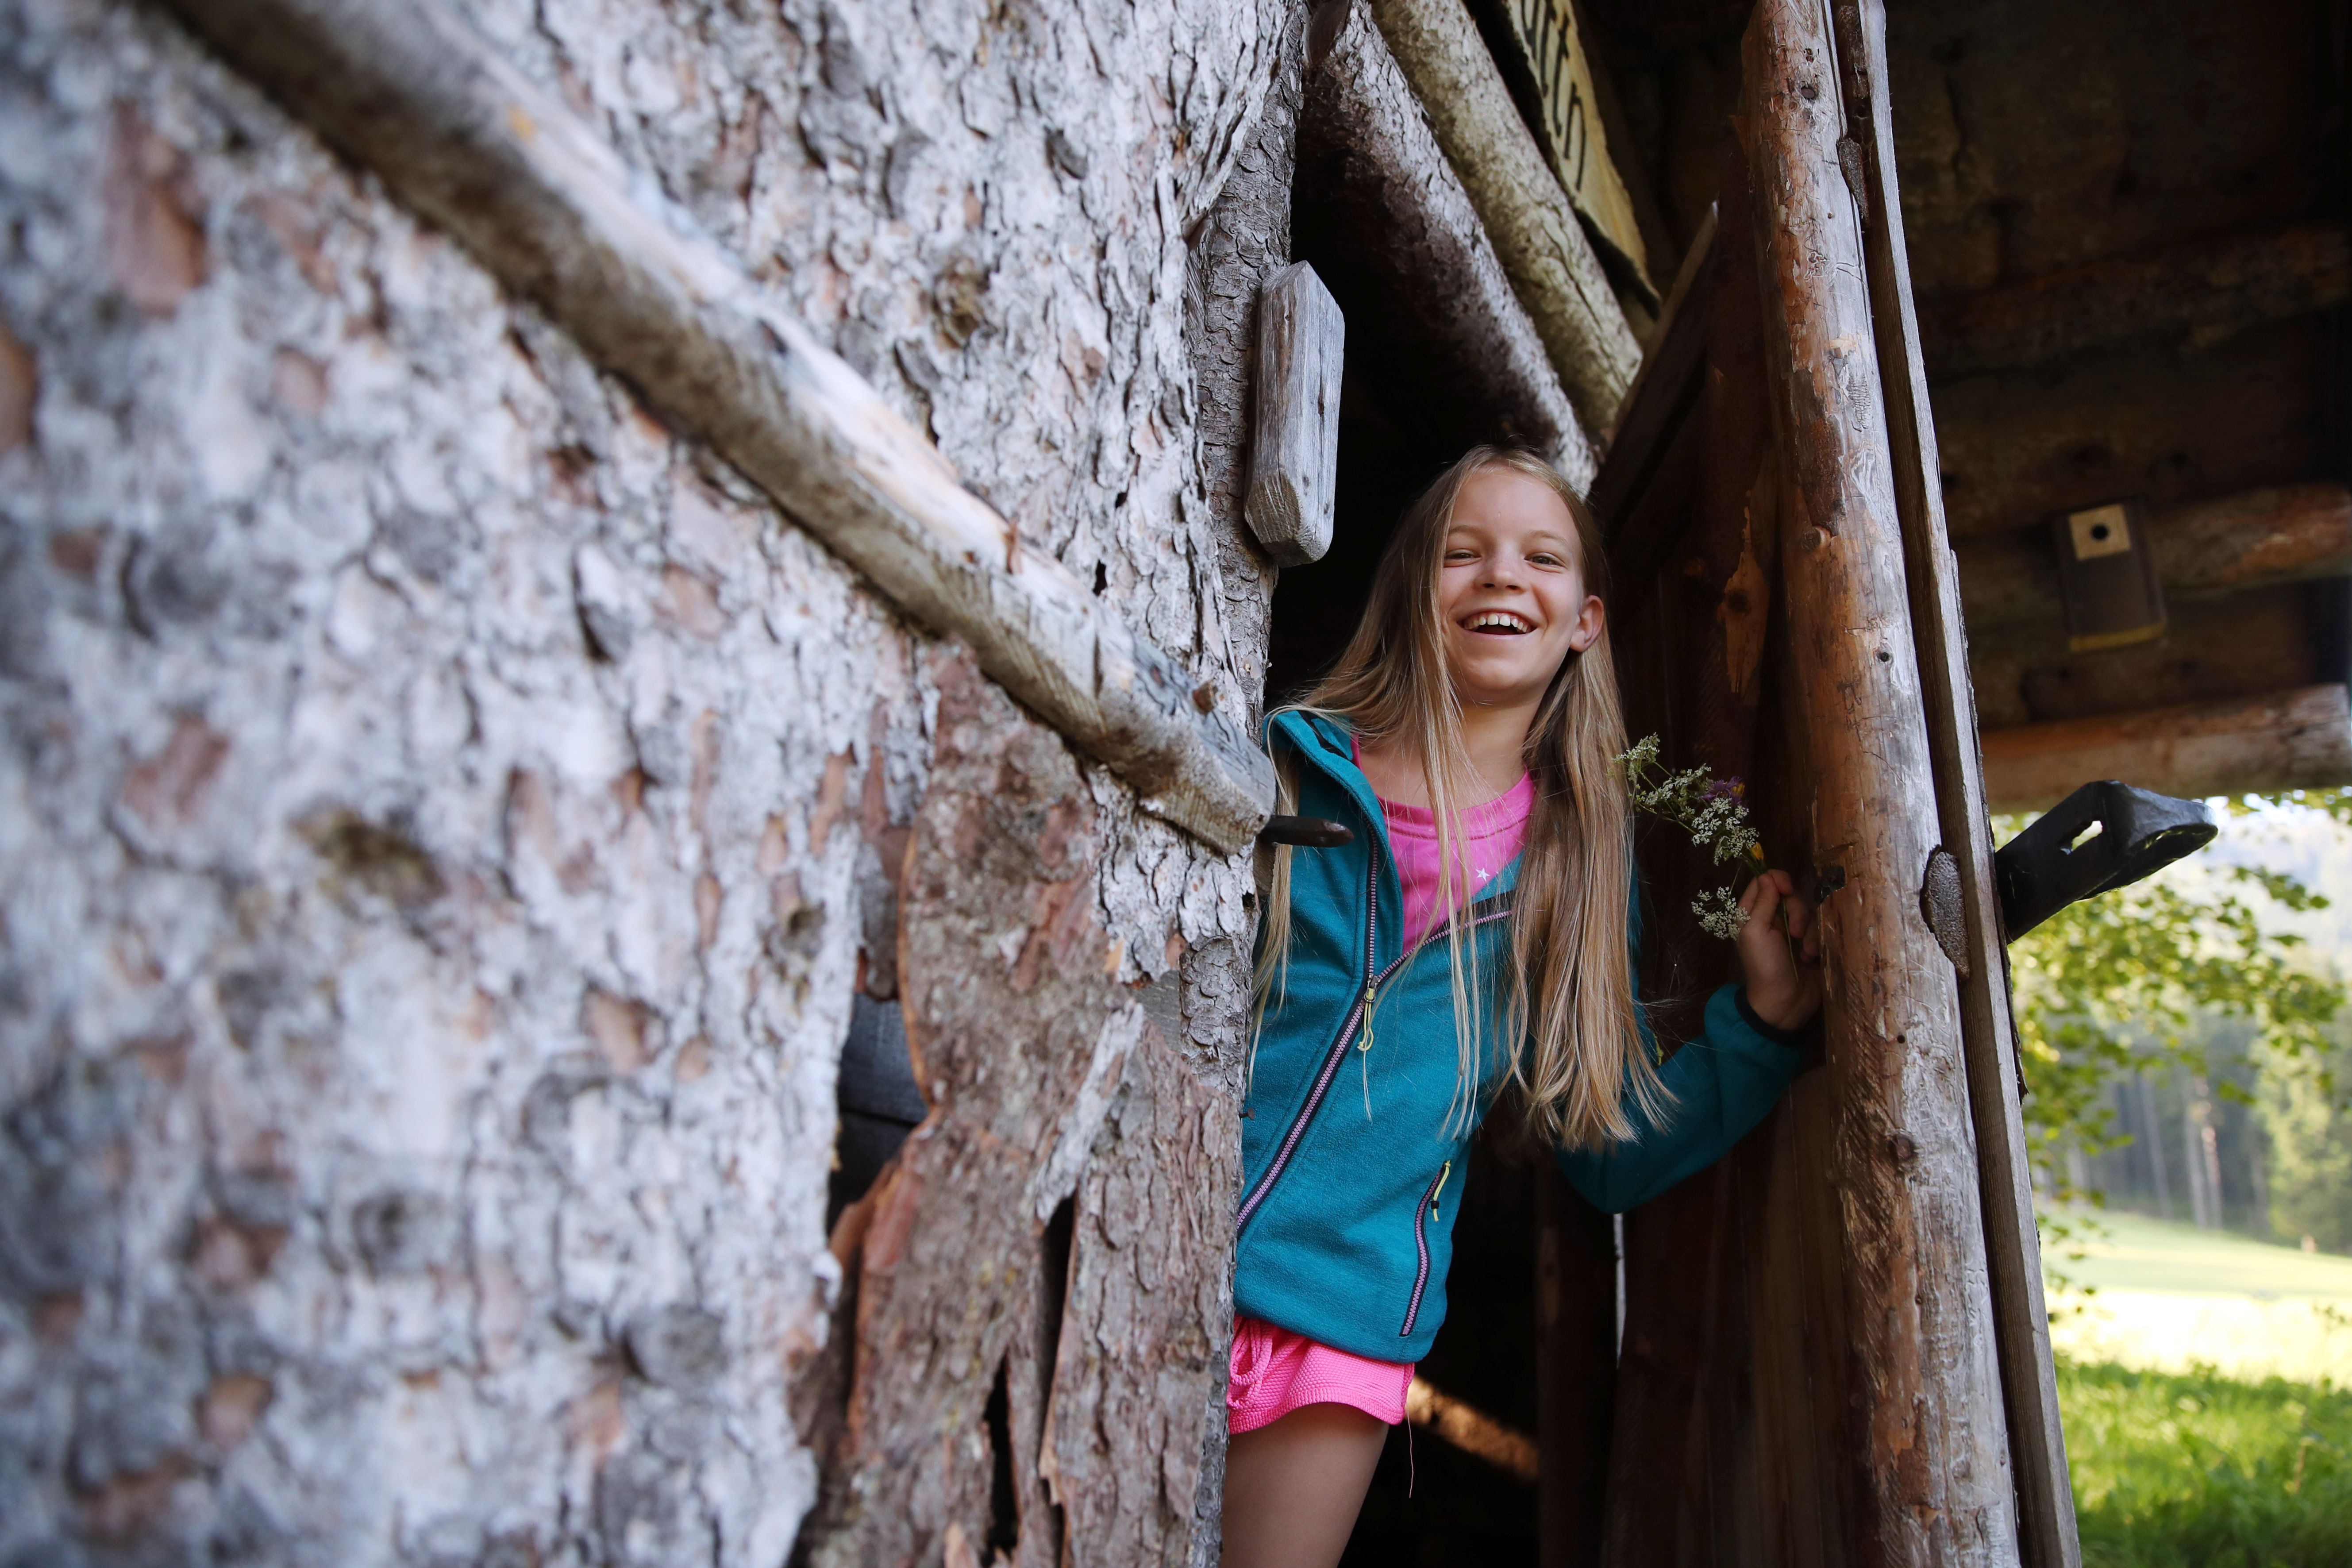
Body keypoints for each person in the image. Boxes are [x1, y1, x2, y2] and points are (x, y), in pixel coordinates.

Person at [1220, 446, 1825, 1567]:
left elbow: (1606, 1142)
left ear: (1585, 620)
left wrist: (1765, 1028)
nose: (1503, 576)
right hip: (1157, 1226)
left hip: (1341, 1319)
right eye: (1464, 552)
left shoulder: (1578, 870)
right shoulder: (1282, 765)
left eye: (1541, 558)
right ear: (1414, 590)